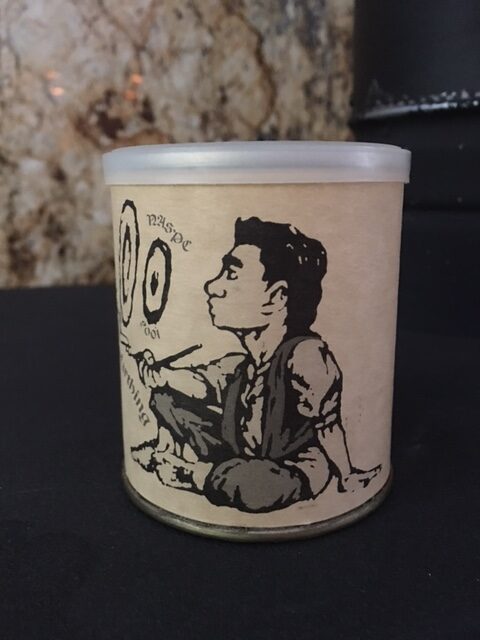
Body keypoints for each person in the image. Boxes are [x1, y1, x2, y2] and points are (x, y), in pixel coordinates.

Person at [131, 217, 380, 513]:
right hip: (240, 453)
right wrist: (162, 375)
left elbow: (327, 423)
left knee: (257, 483)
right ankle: (167, 450)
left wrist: (346, 475)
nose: (212, 286)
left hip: (290, 466)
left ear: (277, 297)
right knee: (165, 397)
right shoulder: (240, 365)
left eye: (231, 274)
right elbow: (202, 382)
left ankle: (193, 475)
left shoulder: (305, 356)